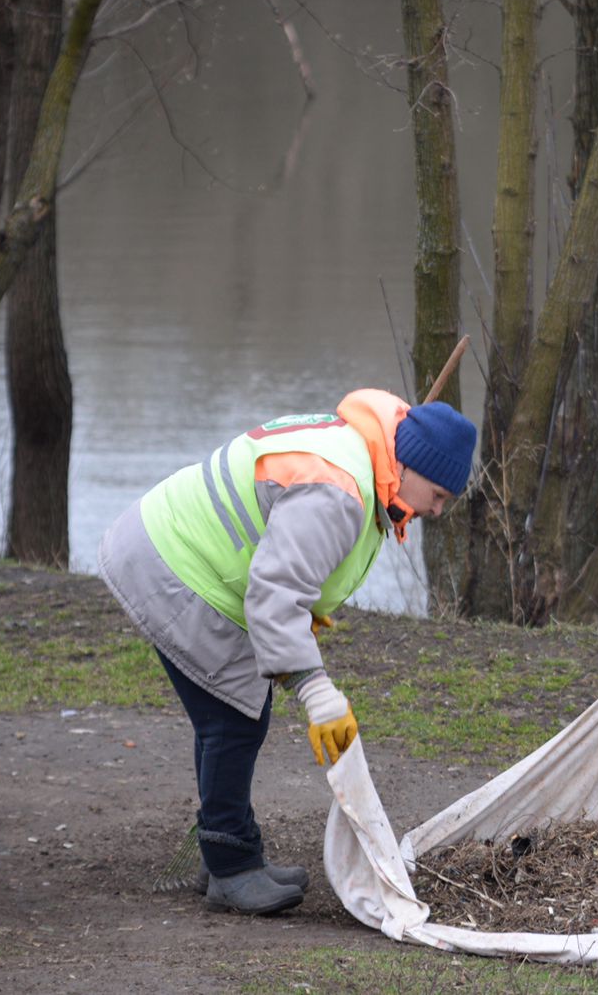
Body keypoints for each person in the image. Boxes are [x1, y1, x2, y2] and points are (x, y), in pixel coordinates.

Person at [97, 389, 476, 915]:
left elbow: (291, 566)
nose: (438, 509)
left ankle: (223, 851)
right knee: (232, 720)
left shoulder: (364, 460)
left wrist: (306, 610)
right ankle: (231, 868)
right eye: (438, 493)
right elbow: (275, 592)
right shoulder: (341, 490)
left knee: (229, 715)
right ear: (409, 466)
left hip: (182, 553)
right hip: (175, 566)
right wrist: (315, 690)